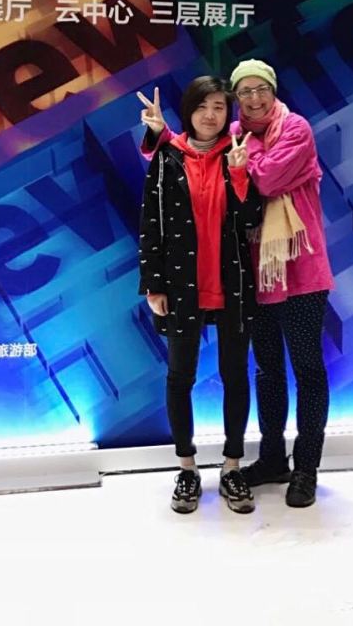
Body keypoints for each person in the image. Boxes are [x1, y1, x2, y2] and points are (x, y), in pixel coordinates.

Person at [137, 76, 261, 515]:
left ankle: (232, 466)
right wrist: (153, 284)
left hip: (232, 284)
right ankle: (187, 468)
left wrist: (241, 173)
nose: (210, 115)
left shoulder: (238, 153)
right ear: (188, 110)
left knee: (235, 376)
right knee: (180, 378)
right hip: (180, 284)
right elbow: (150, 223)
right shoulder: (167, 156)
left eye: (219, 107)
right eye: (202, 106)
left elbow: (252, 217)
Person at [229, 59, 334, 508]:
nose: (254, 99)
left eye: (261, 89)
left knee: (308, 370)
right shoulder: (233, 132)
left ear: (273, 91)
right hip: (259, 274)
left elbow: (268, 180)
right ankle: (272, 458)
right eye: (245, 91)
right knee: (267, 370)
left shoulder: (296, 129)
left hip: (304, 272)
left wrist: (247, 159)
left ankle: (306, 467)